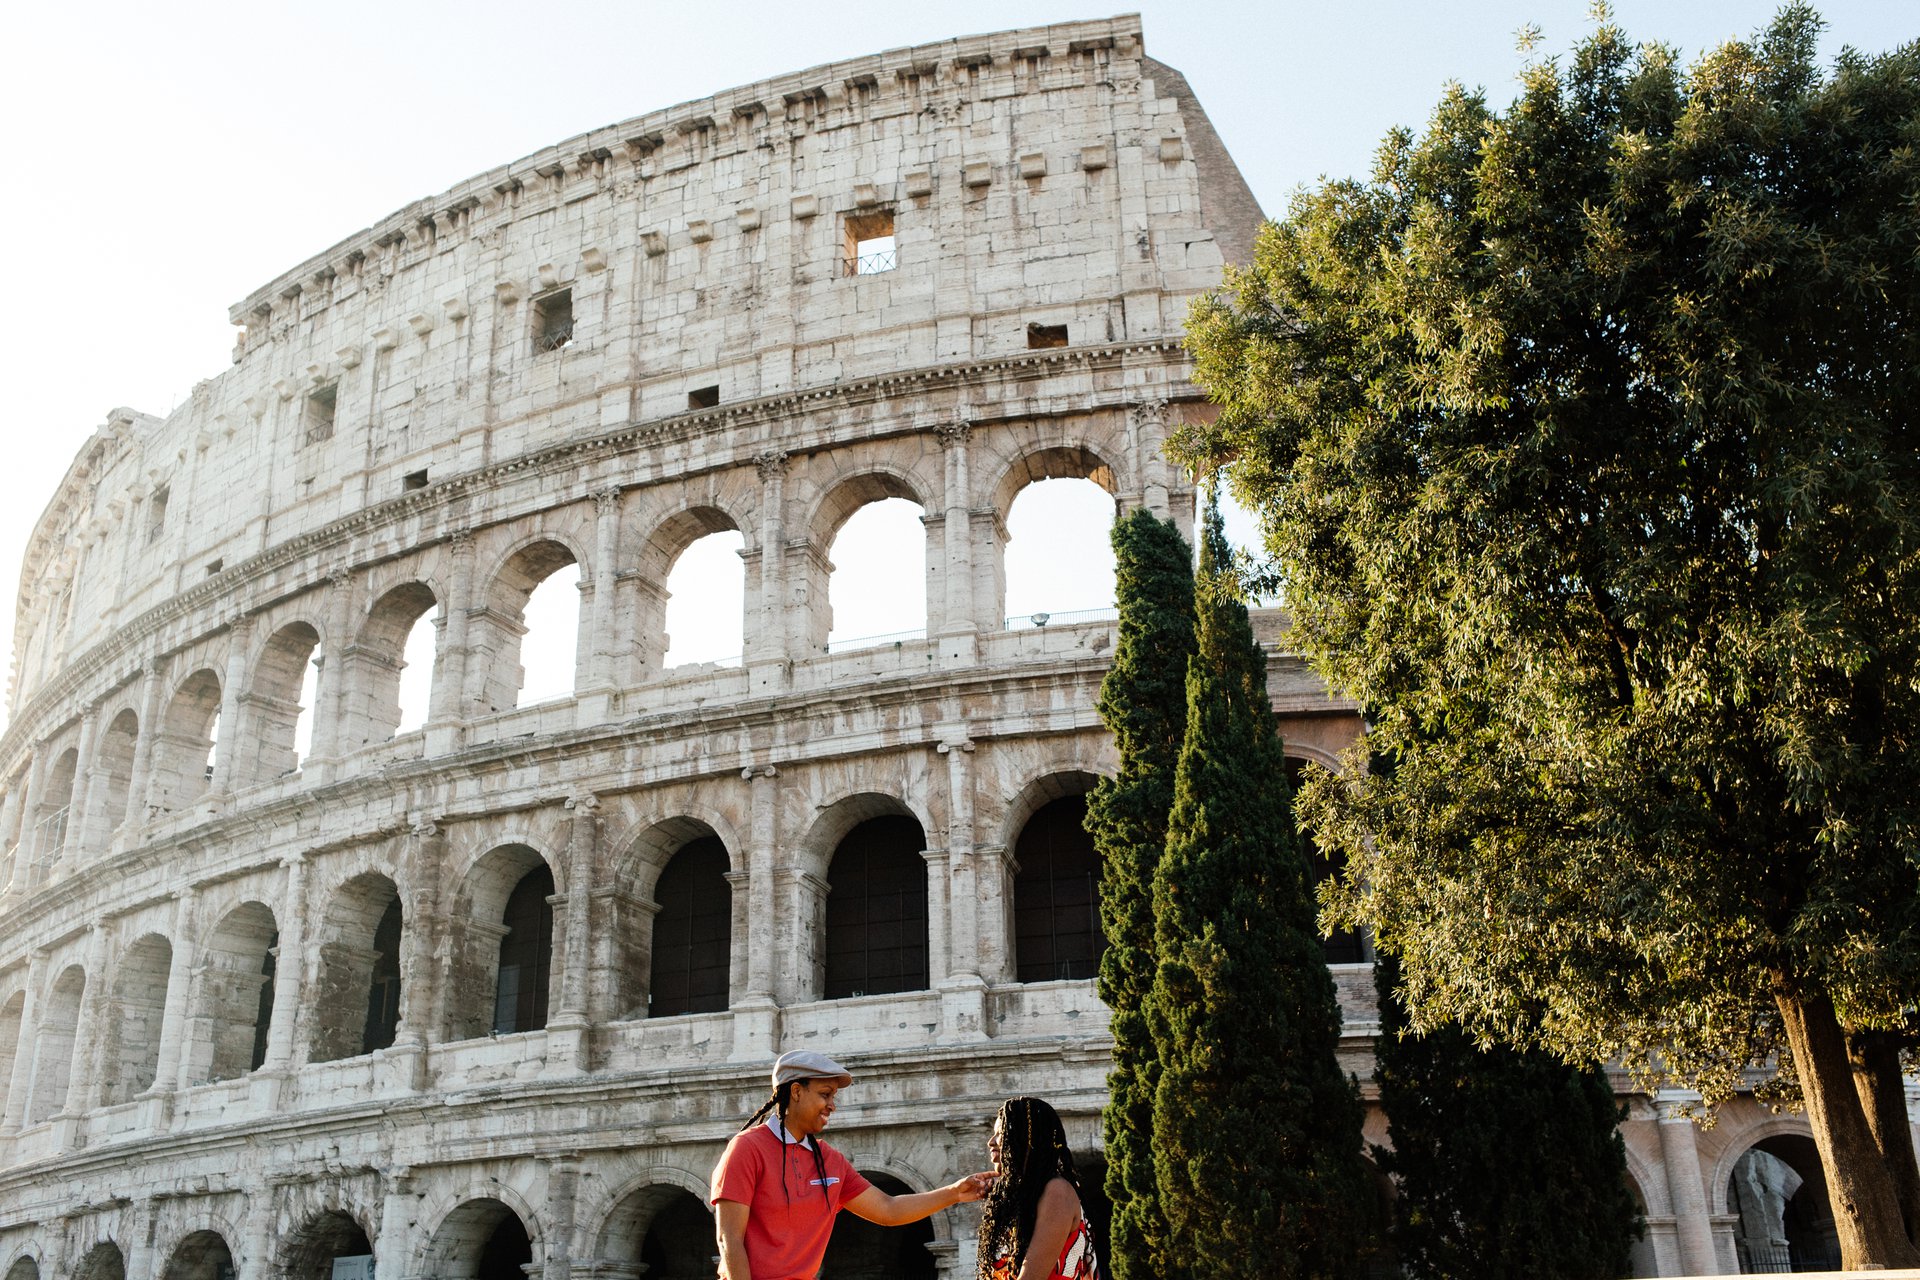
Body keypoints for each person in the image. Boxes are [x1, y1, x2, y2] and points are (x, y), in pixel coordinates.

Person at [710, 1049, 995, 1280]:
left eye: (833, 1097)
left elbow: (888, 1209)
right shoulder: (747, 1148)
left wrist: (955, 1193)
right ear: (796, 1091)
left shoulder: (829, 1160)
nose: (832, 1105)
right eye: (825, 1094)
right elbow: (728, 1239)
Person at [978, 1096, 1100, 1280]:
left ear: (1027, 1139)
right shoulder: (1025, 1199)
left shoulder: (1057, 1191)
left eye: (1001, 1133)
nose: (991, 1142)